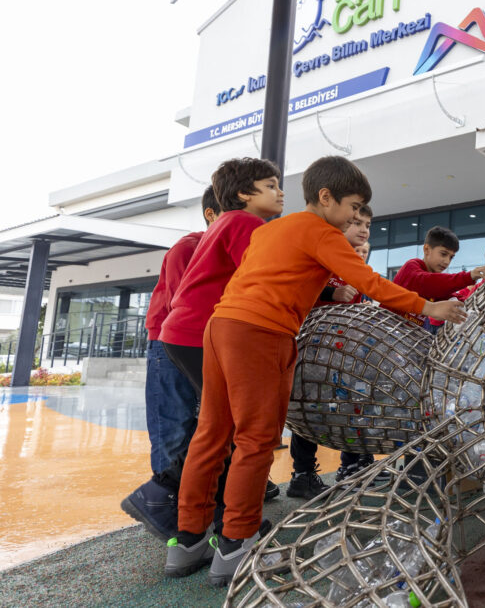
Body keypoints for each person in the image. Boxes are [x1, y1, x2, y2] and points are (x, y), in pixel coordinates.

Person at [164, 155, 465, 585]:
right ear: (326, 198)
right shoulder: (322, 231)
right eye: (354, 207)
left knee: (212, 432)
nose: (357, 217)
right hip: (260, 333)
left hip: (220, 326)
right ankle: (237, 541)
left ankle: (188, 538)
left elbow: (274, 276)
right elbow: (370, 282)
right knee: (256, 438)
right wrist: (427, 305)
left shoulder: (275, 229)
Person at [122, 157, 284, 542]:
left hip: (199, 336)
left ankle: (206, 514)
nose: (281, 193)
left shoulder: (220, 234)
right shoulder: (206, 238)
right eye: (272, 186)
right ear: (217, 211)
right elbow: (199, 295)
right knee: (185, 427)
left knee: (213, 426)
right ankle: (166, 502)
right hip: (181, 338)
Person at [287, 205, 375, 497]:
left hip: (342, 352)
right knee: (305, 408)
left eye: (368, 225)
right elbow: (296, 285)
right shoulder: (321, 255)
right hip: (311, 348)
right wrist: (330, 293)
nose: (363, 229)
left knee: (350, 406)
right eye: (356, 222)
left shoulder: (355, 268)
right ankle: (302, 473)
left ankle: (351, 463)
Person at [144, 186, 219, 475]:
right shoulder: (188, 248)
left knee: (207, 430)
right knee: (172, 429)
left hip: (208, 344)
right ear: (210, 215)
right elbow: (183, 306)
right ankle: (167, 507)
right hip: (170, 344)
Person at [383, 225, 485, 333]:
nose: (447, 261)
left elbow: (453, 298)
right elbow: (431, 283)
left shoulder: (436, 287)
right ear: (426, 249)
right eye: (443, 254)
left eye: (451, 257)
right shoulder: (411, 267)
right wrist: (468, 276)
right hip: (384, 329)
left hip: (403, 338)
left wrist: (480, 302)